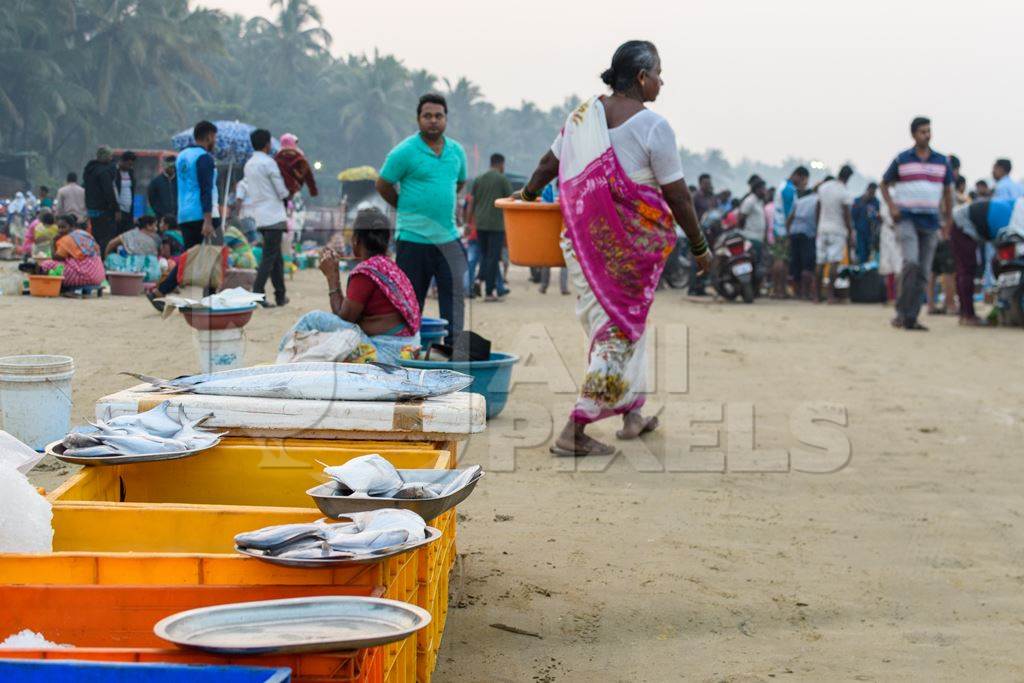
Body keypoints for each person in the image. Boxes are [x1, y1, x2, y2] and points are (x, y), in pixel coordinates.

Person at [517, 40, 710, 457]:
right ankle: (575, 429)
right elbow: (678, 196)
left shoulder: (582, 116)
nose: (662, 80)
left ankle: (632, 415)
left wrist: (528, 196)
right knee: (617, 334)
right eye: (659, 72)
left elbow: (548, 166)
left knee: (627, 327)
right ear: (641, 77)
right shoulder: (654, 127)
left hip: (583, 244)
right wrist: (699, 245)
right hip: (623, 249)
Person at [376, 93, 468, 342]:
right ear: (418, 119)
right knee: (411, 303)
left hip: (448, 238)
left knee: (453, 302)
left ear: (446, 119)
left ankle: (452, 353)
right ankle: (410, 352)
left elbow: (459, 182)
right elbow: (383, 184)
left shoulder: (457, 152)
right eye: (427, 116)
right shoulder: (404, 152)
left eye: (438, 116)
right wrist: (404, 208)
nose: (433, 121)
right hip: (413, 239)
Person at [281, 207, 422, 365]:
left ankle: (281, 361)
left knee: (313, 319)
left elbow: (345, 319)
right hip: (409, 349)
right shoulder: (390, 267)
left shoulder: (366, 272)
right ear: (387, 240)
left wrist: (332, 277)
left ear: (356, 240)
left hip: (388, 354)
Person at [880, 116, 954, 331]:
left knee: (923, 271)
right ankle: (902, 312)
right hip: (907, 219)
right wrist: (892, 207)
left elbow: (948, 193)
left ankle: (910, 317)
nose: (927, 135)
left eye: (929, 131)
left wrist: (947, 220)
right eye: (922, 131)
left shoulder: (941, 161)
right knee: (910, 263)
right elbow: (884, 184)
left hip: (931, 221)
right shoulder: (902, 159)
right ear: (913, 134)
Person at [150, 121, 220, 304]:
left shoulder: (182, 157)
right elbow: (205, 189)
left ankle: (161, 290)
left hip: (185, 214)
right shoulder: (204, 158)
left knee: (189, 256)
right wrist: (207, 220)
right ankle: (210, 297)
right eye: (215, 137)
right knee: (214, 255)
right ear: (209, 136)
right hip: (204, 213)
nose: (215, 141)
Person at [951, 197, 1022, 325]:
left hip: (968, 224)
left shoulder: (1015, 209)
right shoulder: (1012, 219)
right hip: (962, 225)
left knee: (965, 270)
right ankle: (968, 315)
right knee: (966, 270)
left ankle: (965, 314)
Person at [244, 128, 291, 307]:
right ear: (267, 144)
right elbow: (281, 191)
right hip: (274, 215)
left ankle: (280, 295)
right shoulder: (269, 163)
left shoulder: (248, 164)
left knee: (275, 256)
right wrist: (289, 193)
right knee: (269, 257)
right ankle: (257, 294)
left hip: (260, 216)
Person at [470, 153, 513, 302]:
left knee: (484, 255)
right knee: (493, 258)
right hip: (496, 225)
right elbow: (510, 200)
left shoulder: (479, 179)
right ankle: (489, 292)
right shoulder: (502, 179)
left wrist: (469, 222)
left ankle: (477, 280)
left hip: (480, 224)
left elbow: (472, 202)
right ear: (501, 164)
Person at [814, 165, 854, 303]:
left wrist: (817, 225)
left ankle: (816, 296)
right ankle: (830, 296)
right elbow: (846, 215)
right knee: (833, 263)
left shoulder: (824, 187)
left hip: (822, 228)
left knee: (820, 262)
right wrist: (850, 232)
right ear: (848, 177)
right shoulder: (844, 192)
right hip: (837, 230)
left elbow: (818, 208)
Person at [37, 215, 105, 289]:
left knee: (46, 265)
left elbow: (56, 258)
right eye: (59, 228)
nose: (60, 230)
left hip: (86, 275)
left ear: (72, 227)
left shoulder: (67, 239)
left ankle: (50, 286)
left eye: (63, 227)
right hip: (98, 275)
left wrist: (53, 243)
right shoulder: (84, 234)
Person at [82, 146, 119, 255]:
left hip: (92, 209)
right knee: (106, 237)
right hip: (104, 210)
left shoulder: (89, 170)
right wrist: (116, 209)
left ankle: (95, 259)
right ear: (106, 157)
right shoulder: (104, 172)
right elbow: (109, 192)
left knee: (95, 236)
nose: (112, 158)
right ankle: (103, 259)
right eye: (110, 156)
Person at [103, 215, 161, 281]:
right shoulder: (157, 238)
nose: (156, 228)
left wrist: (106, 258)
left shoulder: (130, 234)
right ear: (148, 226)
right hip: (151, 273)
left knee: (111, 257)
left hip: (130, 269)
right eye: (155, 225)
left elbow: (111, 244)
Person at [787, 187, 819, 299]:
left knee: (796, 263)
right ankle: (806, 293)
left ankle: (798, 292)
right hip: (808, 233)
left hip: (794, 232)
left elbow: (790, 218)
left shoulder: (799, 201)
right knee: (808, 264)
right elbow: (817, 216)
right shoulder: (818, 200)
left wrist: (788, 233)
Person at [275, 133, 319, 200]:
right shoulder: (298, 155)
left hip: (281, 187)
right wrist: (313, 190)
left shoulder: (278, 156)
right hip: (292, 186)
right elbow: (308, 174)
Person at [738, 179, 768, 266]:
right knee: (752, 263)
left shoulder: (760, 201)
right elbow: (741, 217)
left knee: (757, 263)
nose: (765, 191)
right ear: (757, 189)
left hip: (759, 238)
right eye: (763, 189)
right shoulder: (749, 201)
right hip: (750, 237)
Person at [851, 182, 880, 264]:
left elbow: (877, 217)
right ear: (867, 190)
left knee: (869, 254)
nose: (872, 194)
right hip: (860, 232)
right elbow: (853, 215)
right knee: (861, 254)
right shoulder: (858, 201)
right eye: (871, 191)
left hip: (871, 233)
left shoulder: (876, 202)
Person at [114, 151, 137, 234]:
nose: (130, 166)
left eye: (131, 165)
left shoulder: (131, 173)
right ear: (122, 161)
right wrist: (116, 209)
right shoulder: (114, 173)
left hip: (129, 210)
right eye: (128, 164)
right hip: (118, 211)